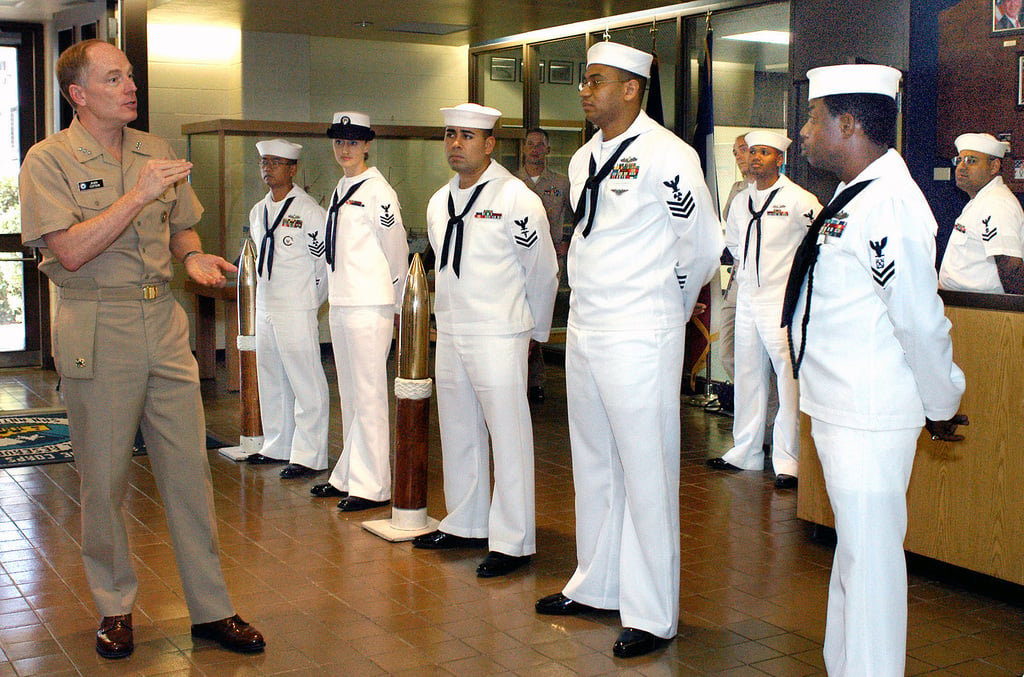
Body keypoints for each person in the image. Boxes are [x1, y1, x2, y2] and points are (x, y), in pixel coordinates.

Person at [18, 39, 264, 659]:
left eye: (130, 76)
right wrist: (135, 195)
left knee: (189, 473)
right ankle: (114, 608)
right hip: (98, 325)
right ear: (79, 95)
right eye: (114, 79)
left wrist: (193, 255)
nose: (131, 87)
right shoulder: (48, 160)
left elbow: (180, 224)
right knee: (105, 479)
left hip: (163, 320)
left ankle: (210, 610)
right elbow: (69, 251)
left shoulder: (155, 150)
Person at [534, 42, 721, 658]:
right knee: (593, 462)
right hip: (588, 325)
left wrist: (665, 307)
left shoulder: (670, 155)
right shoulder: (586, 156)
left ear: (633, 89)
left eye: (597, 81)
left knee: (646, 470)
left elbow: (698, 245)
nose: (585, 91)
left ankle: (652, 611)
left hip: (642, 327)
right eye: (584, 82)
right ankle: (597, 582)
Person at [784, 63, 967, 676]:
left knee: (871, 567)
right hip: (838, 404)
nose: (801, 133)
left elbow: (918, 318)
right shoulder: (853, 194)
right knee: (854, 562)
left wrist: (940, 403)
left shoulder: (890, 202)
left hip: (868, 411)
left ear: (850, 123)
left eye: (812, 119)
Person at [412, 103, 558, 579]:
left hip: (500, 330)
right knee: (457, 428)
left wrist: (534, 332)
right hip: (452, 328)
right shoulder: (439, 201)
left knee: (508, 434)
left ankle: (513, 540)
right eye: (450, 134)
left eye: (468, 136)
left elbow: (542, 269)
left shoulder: (517, 198)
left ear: (490, 143)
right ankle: (466, 522)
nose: (456, 143)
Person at [707, 131, 820, 489]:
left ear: (780, 160)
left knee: (788, 381)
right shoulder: (742, 201)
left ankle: (788, 460)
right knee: (748, 375)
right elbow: (735, 245)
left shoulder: (800, 199)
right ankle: (747, 450)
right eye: (752, 151)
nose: (755, 158)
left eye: (764, 153)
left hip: (783, 301)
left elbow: (817, 246)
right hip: (748, 300)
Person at [310, 111, 409, 512]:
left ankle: (373, 485)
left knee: (369, 394)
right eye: (339, 142)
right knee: (350, 394)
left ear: (367, 145)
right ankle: (349, 473)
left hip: (371, 304)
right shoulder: (342, 186)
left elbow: (396, 251)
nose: (344, 149)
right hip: (344, 302)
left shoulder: (378, 190)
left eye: (352, 142)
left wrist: (400, 305)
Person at [244, 139, 330, 479]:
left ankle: (310, 455)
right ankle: (278, 445)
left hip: (297, 305)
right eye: (264, 162)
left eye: (276, 163)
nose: (268, 168)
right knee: (271, 376)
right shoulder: (258, 210)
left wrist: (310, 301)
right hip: (266, 302)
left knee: (304, 379)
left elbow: (323, 265)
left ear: (292, 169)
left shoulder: (308, 211)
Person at [516, 127, 572, 404]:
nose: (535, 149)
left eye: (541, 145)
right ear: (524, 148)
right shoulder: (510, 182)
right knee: (519, 315)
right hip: (516, 260)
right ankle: (519, 378)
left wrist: (569, 242)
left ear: (547, 150)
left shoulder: (562, 184)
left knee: (539, 317)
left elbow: (579, 217)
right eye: (531, 144)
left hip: (551, 260)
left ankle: (536, 380)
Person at [938, 132, 1024, 295]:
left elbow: (1010, 266)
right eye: (959, 160)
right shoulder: (980, 201)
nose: (961, 167)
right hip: (964, 307)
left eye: (971, 161)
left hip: (983, 311)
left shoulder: (996, 203)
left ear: (994, 167)